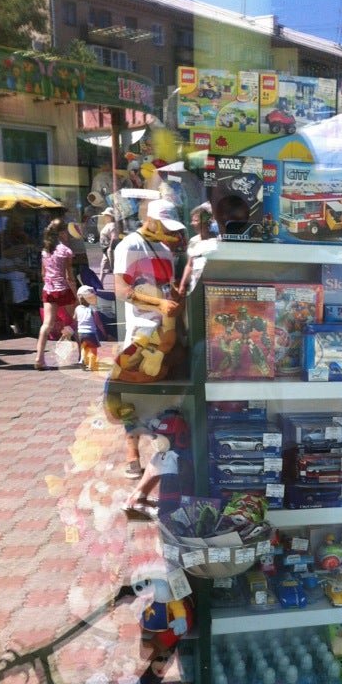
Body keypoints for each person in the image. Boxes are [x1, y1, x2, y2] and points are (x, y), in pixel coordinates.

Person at [113, 198, 186, 479]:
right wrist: (158, 304)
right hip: (141, 330)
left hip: (165, 330)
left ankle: (161, 449)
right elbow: (122, 290)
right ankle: (131, 452)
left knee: (159, 391)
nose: (168, 232)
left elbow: (168, 287)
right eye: (164, 226)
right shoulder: (129, 245)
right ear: (150, 220)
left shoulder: (165, 249)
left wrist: (176, 297)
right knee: (132, 393)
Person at [35, 218, 77, 370]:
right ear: (62, 232)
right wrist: (75, 293)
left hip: (48, 289)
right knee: (76, 319)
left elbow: (43, 274)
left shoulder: (45, 251)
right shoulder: (66, 251)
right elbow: (69, 276)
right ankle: (82, 357)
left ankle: (39, 358)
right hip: (63, 289)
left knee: (47, 324)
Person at [178, 201, 216, 297]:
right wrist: (183, 284)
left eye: (195, 221)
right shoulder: (193, 241)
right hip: (195, 286)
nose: (192, 223)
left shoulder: (217, 241)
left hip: (211, 287)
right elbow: (189, 265)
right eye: (192, 221)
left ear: (205, 221)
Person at [74, 285, 108, 371]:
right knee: (93, 349)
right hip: (91, 333)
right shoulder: (92, 309)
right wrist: (103, 332)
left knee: (84, 347)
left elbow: (74, 318)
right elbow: (98, 322)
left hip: (81, 333)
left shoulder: (77, 308)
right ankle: (92, 365)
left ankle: (82, 360)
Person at [98, 208, 119, 282]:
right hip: (106, 249)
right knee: (103, 266)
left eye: (106, 215)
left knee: (113, 267)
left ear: (111, 216)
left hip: (110, 249)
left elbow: (114, 237)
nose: (105, 217)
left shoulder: (112, 225)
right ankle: (100, 282)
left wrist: (110, 248)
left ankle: (119, 282)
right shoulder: (108, 225)